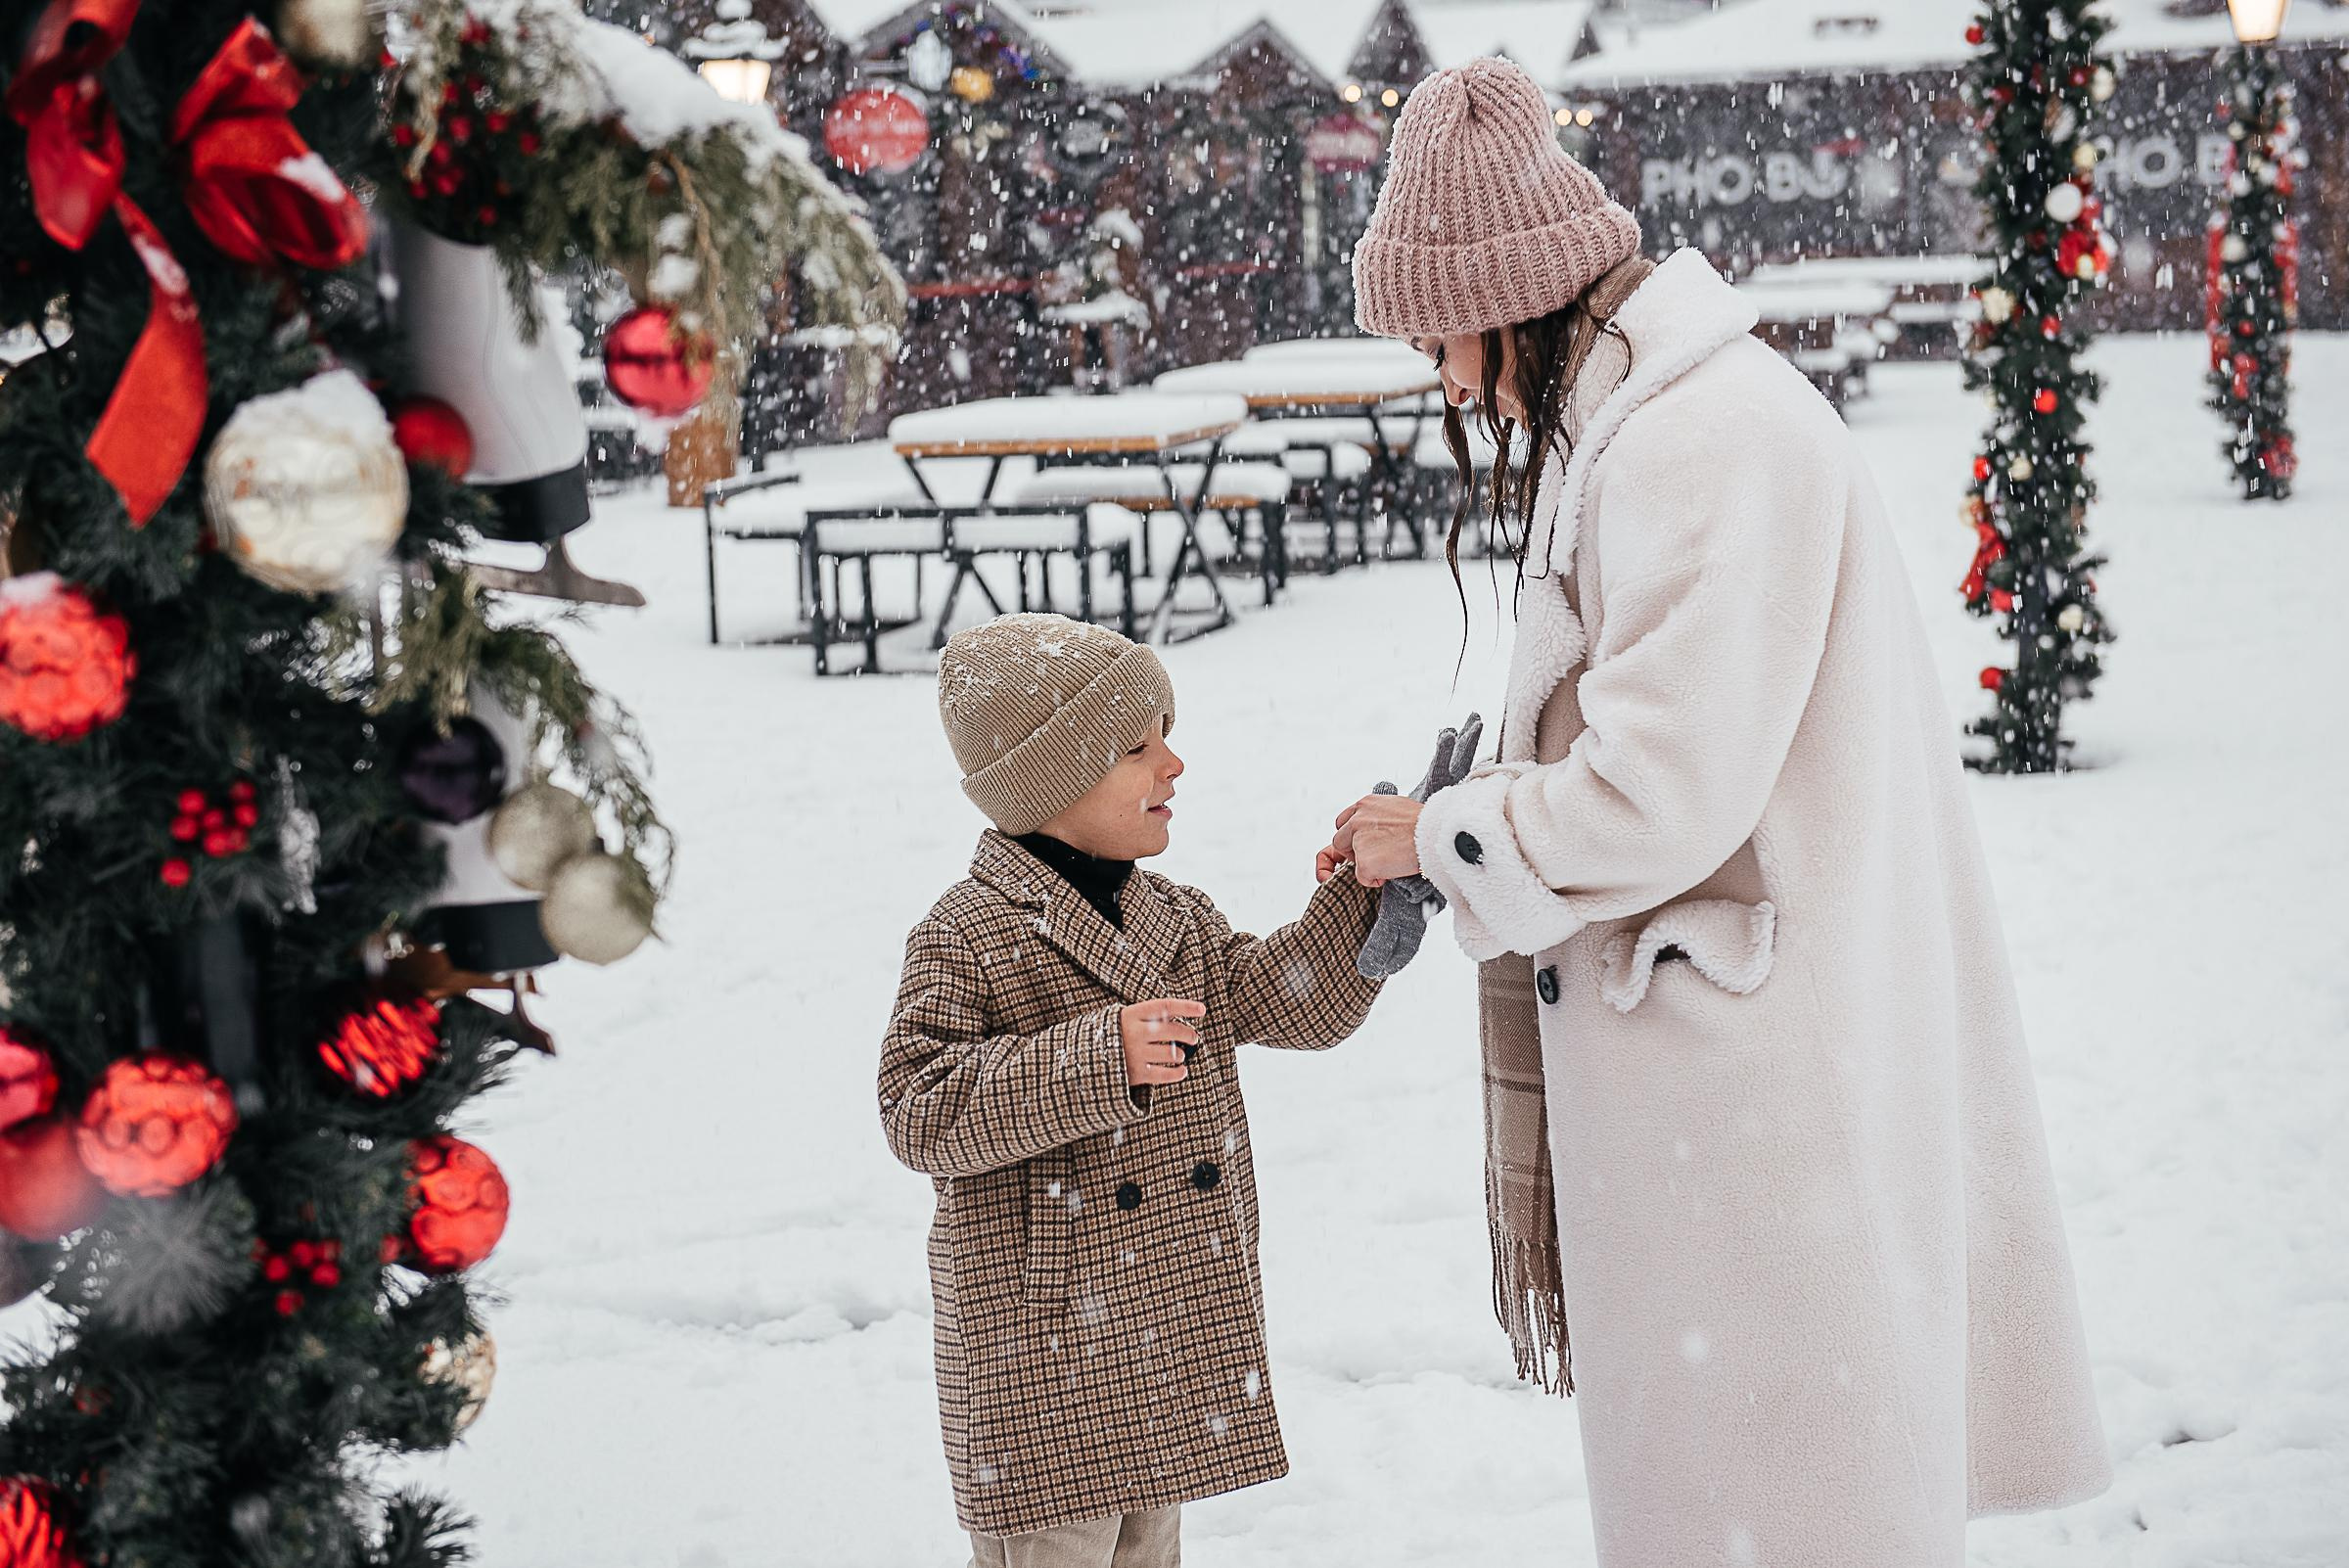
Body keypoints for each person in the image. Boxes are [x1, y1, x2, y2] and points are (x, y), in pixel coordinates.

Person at [1326, 57, 2111, 1568]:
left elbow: (1653, 791)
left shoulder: (1696, 439)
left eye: (1438, 335)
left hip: (1761, 1102)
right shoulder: (1651, 420)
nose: (1439, 375)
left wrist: (1439, 838)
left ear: (1512, 294)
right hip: (1749, 1079)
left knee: (1786, 1516)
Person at [880, 613, 1386, 1568]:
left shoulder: (1177, 919)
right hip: (1044, 1366)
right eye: (1137, 746)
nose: (1174, 765)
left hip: (1151, 1349)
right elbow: (917, 1106)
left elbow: (1292, 1003)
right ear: (1052, 778)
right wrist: (1094, 1060)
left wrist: (1357, 901)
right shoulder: (969, 932)